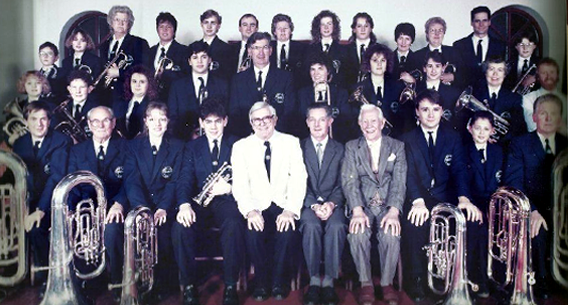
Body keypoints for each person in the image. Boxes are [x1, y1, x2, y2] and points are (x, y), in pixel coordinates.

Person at [400, 90, 481, 301]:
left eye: (435, 110)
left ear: (442, 112)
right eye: (425, 109)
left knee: (469, 222)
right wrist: (417, 201)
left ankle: (459, 280)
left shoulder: (453, 137)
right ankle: (417, 280)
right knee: (414, 224)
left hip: (446, 198)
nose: (430, 115)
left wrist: (464, 198)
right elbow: (407, 174)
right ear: (417, 112)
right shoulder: (406, 139)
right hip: (419, 200)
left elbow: (460, 171)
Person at [231, 102, 307, 301]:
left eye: (267, 118)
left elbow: (299, 178)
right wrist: (249, 211)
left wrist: (290, 210)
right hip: (257, 206)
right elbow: (240, 185)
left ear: (275, 119)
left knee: (287, 231)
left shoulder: (291, 142)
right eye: (257, 119)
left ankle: (278, 282)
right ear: (251, 123)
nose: (262, 123)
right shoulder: (240, 147)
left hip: (283, 204)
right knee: (253, 232)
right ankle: (262, 282)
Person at [174, 98, 245, 305]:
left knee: (233, 223)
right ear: (201, 123)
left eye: (217, 121)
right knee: (180, 227)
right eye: (208, 122)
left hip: (227, 199)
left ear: (225, 121)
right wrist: (184, 204)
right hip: (199, 201)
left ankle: (231, 285)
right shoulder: (192, 147)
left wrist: (231, 188)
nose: (213, 127)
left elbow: (250, 177)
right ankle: (189, 286)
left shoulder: (238, 144)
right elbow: (185, 179)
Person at [342, 104, 407, 305]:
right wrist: (357, 210)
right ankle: (366, 283)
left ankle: (387, 283)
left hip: (388, 204)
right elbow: (349, 181)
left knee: (390, 233)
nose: (369, 126)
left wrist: (394, 210)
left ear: (382, 123)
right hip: (363, 204)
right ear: (360, 124)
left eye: (374, 121)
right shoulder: (352, 147)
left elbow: (399, 181)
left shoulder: (397, 146)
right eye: (365, 122)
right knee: (358, 232)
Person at [505, 94, 567, 299]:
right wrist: (531, 210)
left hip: (562, 212)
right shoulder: (519, 144)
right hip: (533, 209)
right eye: (543, 113)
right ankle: (541, 285)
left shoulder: (566, 144)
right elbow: (514, 182)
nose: (548, 118)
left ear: (560, 119)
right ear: (534, 117)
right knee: (537, 232)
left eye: (553, 114)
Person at [123, 102, 184, 302]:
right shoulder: (133, 146)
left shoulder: (177, 146)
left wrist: (163, 208)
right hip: (141, 205)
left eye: (162, 119)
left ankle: (163, 285)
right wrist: (144, 210)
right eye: (153, 119)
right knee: (139, 238)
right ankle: (139, 285)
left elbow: (174, 182)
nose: (157, 124)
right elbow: (132, 181)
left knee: (164, 237)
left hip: (166, 206)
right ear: (146, 121)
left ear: (168, 122)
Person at [68, 106, 128, 302]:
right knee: (74, 229)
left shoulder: (126, 147)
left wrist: (119, 203)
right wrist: (70, 212)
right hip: (86, 208)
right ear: (89, 125)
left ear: (113, 123)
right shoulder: (77, 151)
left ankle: (117, 281)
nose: (101, 125)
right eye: (95, 121)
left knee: (112, 230)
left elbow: (131, 181)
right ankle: (87, 282)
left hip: (114, 206)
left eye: (105, 120)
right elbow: (72, 184)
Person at [13, 101, 72, 294]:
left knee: (37, 228)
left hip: (51, 202)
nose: (39, 124)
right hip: (24, 202)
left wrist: (39, 210)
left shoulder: (60, 141)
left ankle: (49, 278)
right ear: (26, 122)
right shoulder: (20, 143)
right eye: (34, 119)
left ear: (49, 121)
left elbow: (55, 178)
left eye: (43, 119)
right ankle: (16, 275)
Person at [300, 104, 347, 305]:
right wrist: (313, 205)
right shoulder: (298, 147)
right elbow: (296, 182)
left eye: (322, 119)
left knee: (337, 226)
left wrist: (330, 204)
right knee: (310, 226)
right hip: (307, 203)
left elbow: (343, 183)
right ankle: (313, 281)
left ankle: (328, 281)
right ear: (307, 122)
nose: (317, 124)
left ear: (330, 121)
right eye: (313, 119)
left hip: (333, 204)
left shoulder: (341, 149)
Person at [464, 111, 503, 298]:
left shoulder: (498, 151)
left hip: (493, 203)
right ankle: (477, 279)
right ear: (470, 128)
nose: (481, 132)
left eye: (486, 129)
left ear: (492, 131)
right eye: (477, 128)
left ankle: (498, 278)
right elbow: (461, 183)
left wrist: (493, 207)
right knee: (477, 227)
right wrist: (476, 207)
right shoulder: (462, 150)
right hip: (472, 203)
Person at [229, 32, 296, 138]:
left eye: (264, 47)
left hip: (277, 137)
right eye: (256, 48)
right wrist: (254, 133)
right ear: (249, 51)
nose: (261, 53)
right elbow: (234, 113)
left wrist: (272, 133)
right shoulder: (238, 80)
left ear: (270, 51)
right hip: (247, 138)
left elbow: (289, 111)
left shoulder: (285, 77)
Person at [168, 41, 229, 140]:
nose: (199, 61)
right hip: (185, 140)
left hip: (215, 138)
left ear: (210, 60)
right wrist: (190, 134)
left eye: (203, 57)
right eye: (195, 57)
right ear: (189, 61)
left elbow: (225, 114)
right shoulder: (177, 86)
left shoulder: (222, 85)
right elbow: (173, 118)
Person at [351, 44, 406, 138]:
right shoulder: (358, 89)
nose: (379, 64)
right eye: (375, 60)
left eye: (383, 60)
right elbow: (354, 123)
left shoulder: (398, 88)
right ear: (368, 64)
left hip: (393, 140)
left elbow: (402, 121)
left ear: (387, 64)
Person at [98, 5, 150, 105]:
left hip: (127, 95)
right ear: (111, 22)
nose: (120, 23)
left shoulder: (139, 43)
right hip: (105, 96)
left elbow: (143, 69)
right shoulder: (104, 45)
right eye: (117, 19)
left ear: (129, 24)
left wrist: (120, 73)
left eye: (125, 20)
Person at [297, 52, 354, 142]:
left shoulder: (340, 93)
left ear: (328, 71)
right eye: (312, 69)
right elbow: (301, 121)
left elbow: (346, 122)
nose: (316, 73)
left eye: (320, 69)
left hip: (336, 142)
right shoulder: (302, 94)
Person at [469, 57, 526, 145]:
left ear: (505, 74)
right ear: (486, 72)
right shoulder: (474, 95)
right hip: (476, 143)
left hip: (503, 146)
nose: (495, 74)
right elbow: (466, 122)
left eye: (500, 70)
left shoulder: (514, 98)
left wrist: (499, 140)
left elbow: (518, 128)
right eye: (491, 69)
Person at [453, 6, 506, 87]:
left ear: (489, 22)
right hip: (466, 93)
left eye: (484, 20)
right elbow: (459, 73)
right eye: (477, 21)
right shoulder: (459, 45)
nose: (481, 24)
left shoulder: (500, 46)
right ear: (472, 23)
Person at [411, 17, 465, 89]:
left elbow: (465, 74)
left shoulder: (454, 52)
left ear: (444, 33)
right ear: (427, 34)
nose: (437, 34)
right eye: (433, 30)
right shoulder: (417, 56)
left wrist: (453, 77)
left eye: (440, 30)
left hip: (449, 96)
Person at [148, 12, 188, 100]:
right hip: (151, 98)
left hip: (173, 98)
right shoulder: (150, 51)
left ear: (174, 30)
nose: (164, 30)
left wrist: (165, 73)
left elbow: (186, 75)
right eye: (161, 27)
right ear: (157, 29)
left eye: (168, 27)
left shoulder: (184, 50)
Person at [51, 70, 98, 143]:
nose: (78, 91)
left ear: (89, 89)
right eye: (74, 87)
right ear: (69, 89)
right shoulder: (63, 108)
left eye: (82, 87)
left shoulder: (97, 109)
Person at [112, 65, 158, 139]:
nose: (137, 85)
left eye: (142, 82)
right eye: (134, 81)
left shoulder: (154, 106)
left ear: (149, 84)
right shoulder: (119, 103)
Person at [415, 51, 461, 124]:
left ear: (443, 68)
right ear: (424, 68)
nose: (433, 70)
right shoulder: (415, 90)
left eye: (437, 66)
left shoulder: (454, 93)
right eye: (430, 66)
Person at [522, 58, 566, 134]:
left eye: (552, 72)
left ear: (558, 75)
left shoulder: (565, 100)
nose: (548, 76)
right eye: (544, 73)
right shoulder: (528, 99)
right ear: (538, 77)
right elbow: (534, 127)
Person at [305, 10, 347, 88]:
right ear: (318, 27)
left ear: (334, 26)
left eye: (329, 24)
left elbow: (345, 76)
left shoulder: (343, 50)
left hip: (337, 92)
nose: (326, 27)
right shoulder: (309, 49)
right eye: (322, 24)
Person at [189, 9, 234, 80]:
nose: (209, 26)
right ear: (201, 24)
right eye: (206, 22)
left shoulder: (227, 49)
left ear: (218, 26)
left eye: (213, 23)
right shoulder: (192, 47)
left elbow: (229, 75)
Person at [269, 14, 307, 89]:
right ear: (274, 32)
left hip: (295, 87)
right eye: (279, 28)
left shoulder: (302, 48)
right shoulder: (267, 47)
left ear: (291, 30)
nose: (282, 31)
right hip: (272, 87)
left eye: (285, 28)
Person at [345, 13, 377, 87]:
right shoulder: (345, 50)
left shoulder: (378, 50)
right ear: (354, 29)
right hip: (349, 92)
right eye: (359, 26)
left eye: (366, 26)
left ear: (371, 28)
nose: (363, 29)